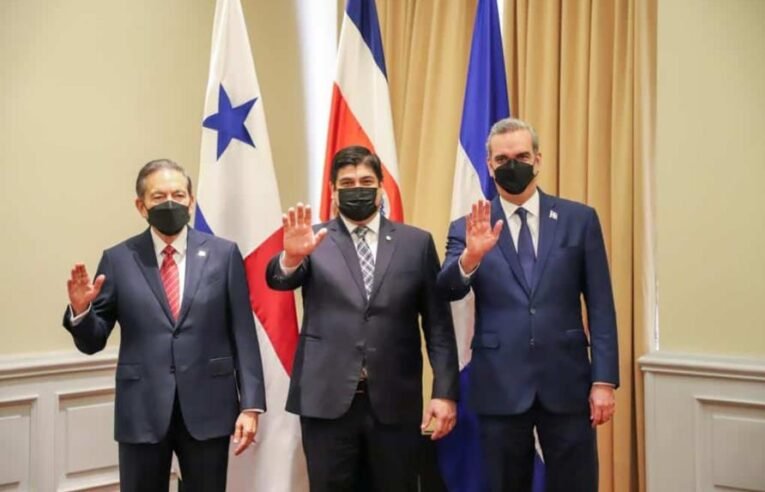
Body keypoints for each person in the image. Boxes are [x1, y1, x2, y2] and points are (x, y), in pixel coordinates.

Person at [437, 118, 619, 492]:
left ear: (537, 159)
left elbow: (601, 305)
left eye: (521, 156)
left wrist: (603, 381)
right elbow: (447, 289)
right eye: (502, 159)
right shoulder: (468, 227)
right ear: (489, 166)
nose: (512, 165)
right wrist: (471, 257)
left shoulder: (579, 219)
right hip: (500, 385)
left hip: (567, 383)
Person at [63, 159, 265, 492]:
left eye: (178, 195)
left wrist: (251, 405)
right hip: (141, 410)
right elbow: (92, 342)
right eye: (158, 197)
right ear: (141, 206)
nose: (170, 203)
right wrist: (82, 310)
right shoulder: (118, 259)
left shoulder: (223, 254)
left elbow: (243, 333)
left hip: (209, 406)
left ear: (191, 201)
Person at [266, 146, 459, 492]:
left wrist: (444, 393)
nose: (358, 188)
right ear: (333, 191)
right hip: (327, 402)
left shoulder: (415, 243)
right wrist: (290, 258)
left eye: (367, 181)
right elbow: (279, 279)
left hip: (395, 401)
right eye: (348, 183)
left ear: (382, 187)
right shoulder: (313, 239)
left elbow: (439, 327)